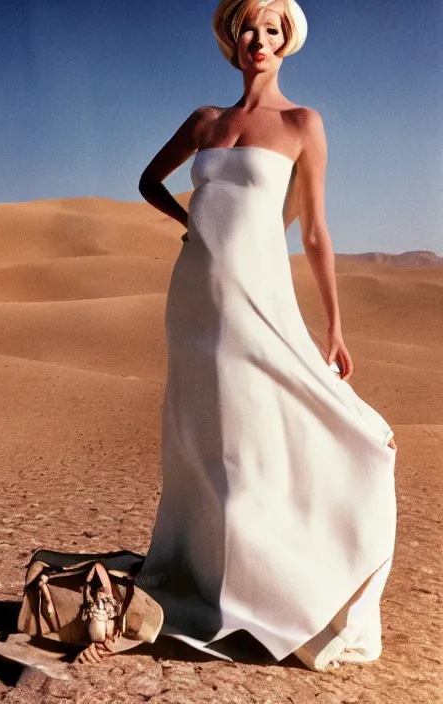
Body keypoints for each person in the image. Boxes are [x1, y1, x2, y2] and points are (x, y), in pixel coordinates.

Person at [135, 0, 398, 672]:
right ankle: (207, 569)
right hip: (195, 297)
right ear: (233, 38)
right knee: (204, 436)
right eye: (248, 27)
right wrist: (187, 225)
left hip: (259, 295)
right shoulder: (206, 122)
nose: (260, 39)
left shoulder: (302, 124)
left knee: (266, 434)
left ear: (287, 43)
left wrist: (335, 327)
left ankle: (271, 586)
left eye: (272, 30)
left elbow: (312, 232)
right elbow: (148, 181)